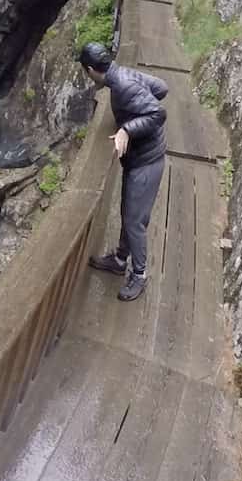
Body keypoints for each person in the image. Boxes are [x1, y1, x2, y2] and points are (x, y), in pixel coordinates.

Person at [78, 42, 168, 302]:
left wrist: (127, 129)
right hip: (142, 158)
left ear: (92, 70)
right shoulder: (124, 74)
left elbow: (157, 113)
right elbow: (161, 88)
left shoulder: (123, 86)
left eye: (86, 71)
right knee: (129, 213)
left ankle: (139, 275)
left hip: (147, 161)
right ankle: (119, 260)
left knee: (134, 222)